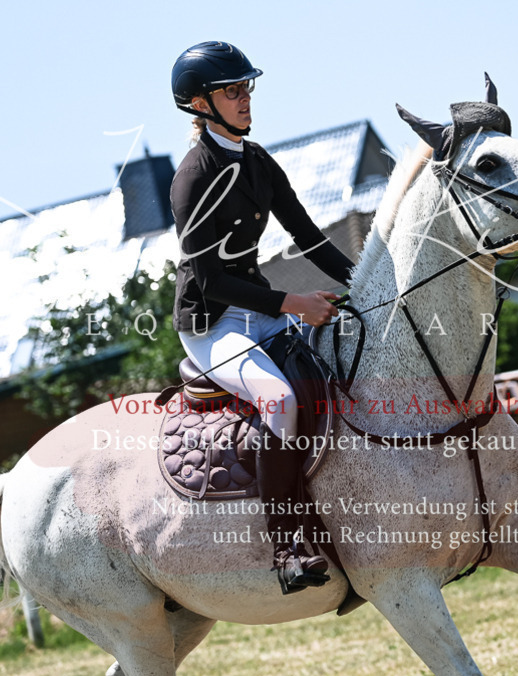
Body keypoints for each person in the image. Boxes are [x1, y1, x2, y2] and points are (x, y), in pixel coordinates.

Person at [169, 41, 356, 594]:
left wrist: (369, 282)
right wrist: (295, 303)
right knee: (278, 399)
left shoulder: (256, 161)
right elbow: (211, 280)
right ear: (200, 103)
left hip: (258, 310)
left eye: (246, 87)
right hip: (212, 324)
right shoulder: (192, 177)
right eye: (232, 90)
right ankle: (287, 547)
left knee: (345, 356)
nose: (245, 98)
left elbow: (309, 238)